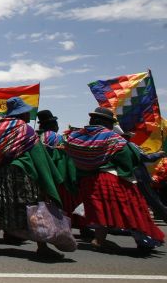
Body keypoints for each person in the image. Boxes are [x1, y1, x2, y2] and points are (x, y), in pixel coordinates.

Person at [0, 97, 66, 260]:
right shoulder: (25, 129)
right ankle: (42, 246)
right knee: (33, 208)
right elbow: (39, 156)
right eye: (27, 113)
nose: (29, 116)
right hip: (21, 174)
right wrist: (49, 180)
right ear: (22, 113)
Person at [64, 107, 165, 252]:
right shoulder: (112, 137)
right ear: (105, 122)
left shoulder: (75, 137)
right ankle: (144, 240)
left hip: (88, 180)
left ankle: (99, 239)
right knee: (132, 209)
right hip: (111, 179)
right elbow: (129, 158)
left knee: (100, 211)